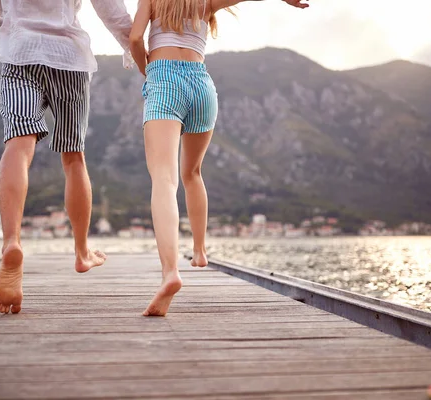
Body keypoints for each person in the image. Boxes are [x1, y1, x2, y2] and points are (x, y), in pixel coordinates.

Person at [129, 0, 310, 316]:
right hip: (202, 85)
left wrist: (149, 71)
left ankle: (171, 272)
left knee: (164, 179)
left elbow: (134, 39)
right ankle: (199, 251)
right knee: (193, 173)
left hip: (164, 78)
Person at [0, 0, 133, 314]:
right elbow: (111, 11)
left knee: (18, 145)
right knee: (73, 157)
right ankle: (81, 252)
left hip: (20, 56)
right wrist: (135, 46)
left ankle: (11, 241)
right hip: (70, 59)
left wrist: (12, 27)